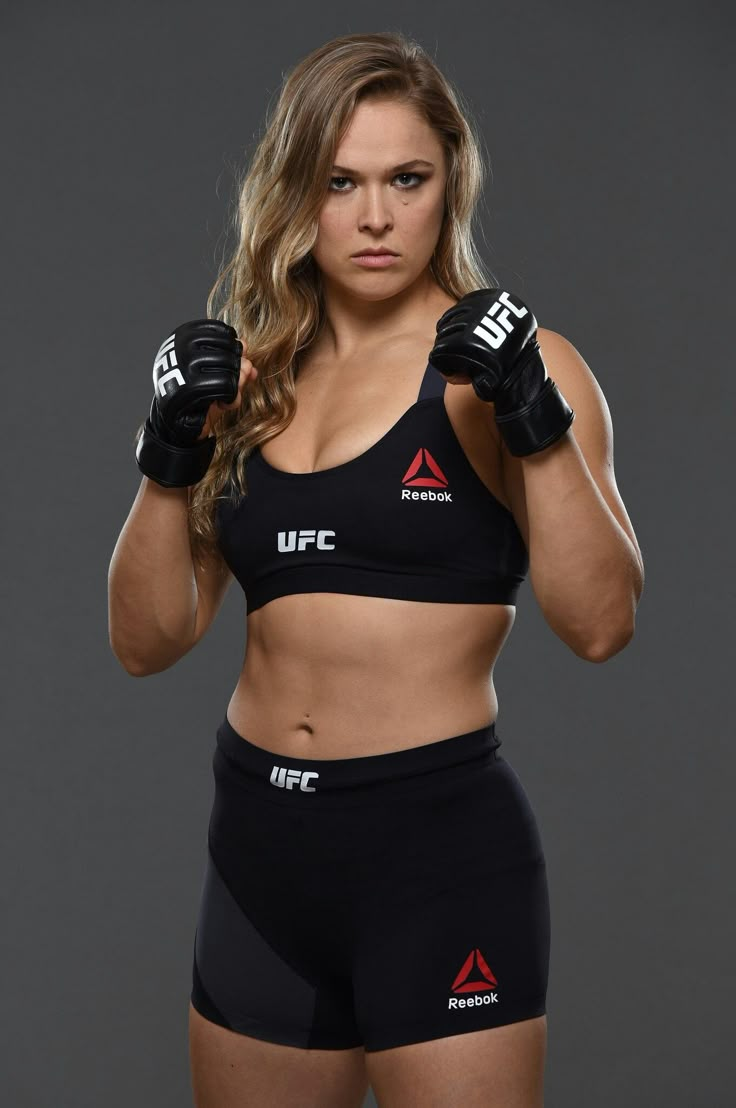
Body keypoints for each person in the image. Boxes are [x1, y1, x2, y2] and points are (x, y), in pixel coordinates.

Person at [108, 30, 644, 1108]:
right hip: (259, 851)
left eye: (408, 179)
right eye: (338, 182)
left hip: (435, 856)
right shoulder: (249, 382)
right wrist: (168, 454)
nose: (374, 215)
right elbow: (146, 641)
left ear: (452, 184)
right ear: (297, 194)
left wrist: (531, 415)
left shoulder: (504, 374)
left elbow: (599, 623)